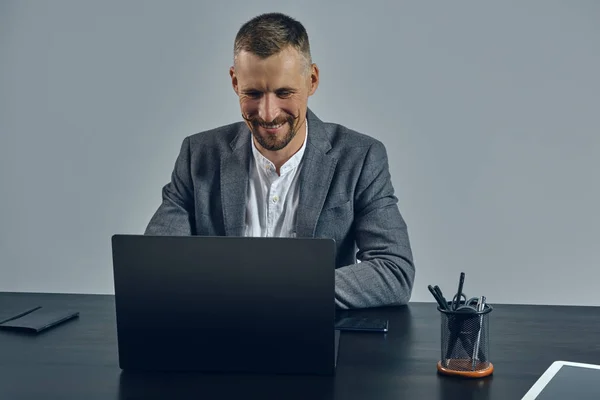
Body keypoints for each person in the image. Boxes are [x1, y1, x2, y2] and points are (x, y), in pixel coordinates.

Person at [144, 12, 415, 309]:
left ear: (312, 80)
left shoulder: (361, 157)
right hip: (218, 340)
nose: (268, 113)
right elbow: (158, 263)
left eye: (284, 92)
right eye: (253, 93)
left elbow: (394, 270)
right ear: (235, 82)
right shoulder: (197, 154)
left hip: (315, 342)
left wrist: (286, 292)